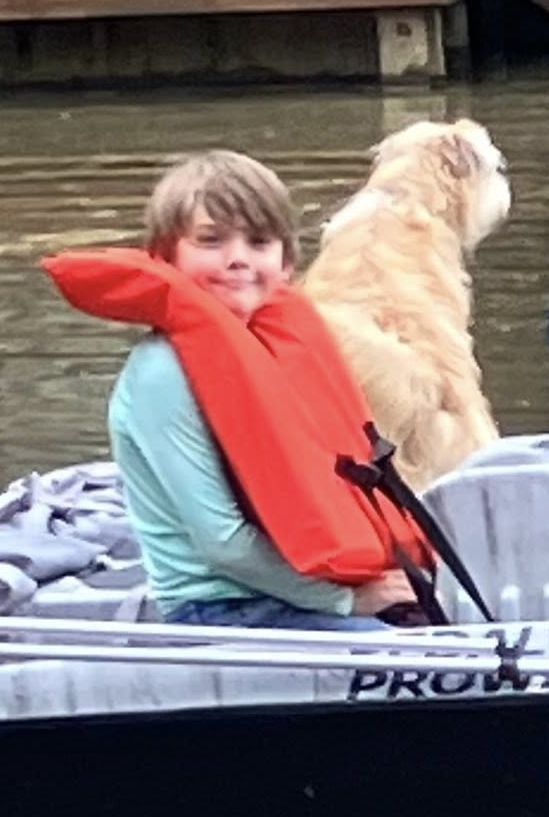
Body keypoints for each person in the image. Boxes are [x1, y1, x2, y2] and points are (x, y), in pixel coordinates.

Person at [85, 151, 421, 631]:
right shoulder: (162, 373)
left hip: (303, 588)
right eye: (211, 241)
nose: (238, 258)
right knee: (418, 657)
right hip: (219, 606)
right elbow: (221, 544)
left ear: (285, 263)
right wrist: (347, 602)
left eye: (259, 242)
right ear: (166, 257)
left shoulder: (270, 348)